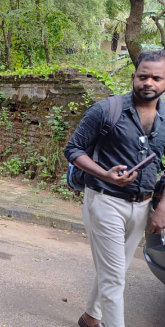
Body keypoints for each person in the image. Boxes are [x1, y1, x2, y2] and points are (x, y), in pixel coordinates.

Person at [65, 49, 165, 327]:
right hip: (104, 200)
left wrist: (162, 209)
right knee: (114, 276)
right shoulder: (106, 110)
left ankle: (90, 318)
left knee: (115, 270)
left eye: (157, 78)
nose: (148, 82)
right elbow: (73, 149)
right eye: (143, 76)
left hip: (143, 205)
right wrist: (105, 175)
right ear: (133, 77)